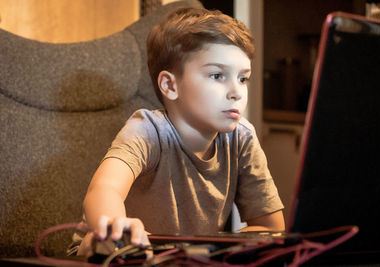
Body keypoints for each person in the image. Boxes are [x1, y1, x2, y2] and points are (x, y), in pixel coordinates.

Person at [74, 6, 285, 257]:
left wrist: (213, 251)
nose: (237, 92)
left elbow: (273, 229)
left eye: (242, 78)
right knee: (99, 245)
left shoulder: (241, 137)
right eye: (217, 75)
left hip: (185, 259)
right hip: (117, 254)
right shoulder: (148, 130)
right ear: (170, 85)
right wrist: (117, 228)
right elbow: (104, 189)